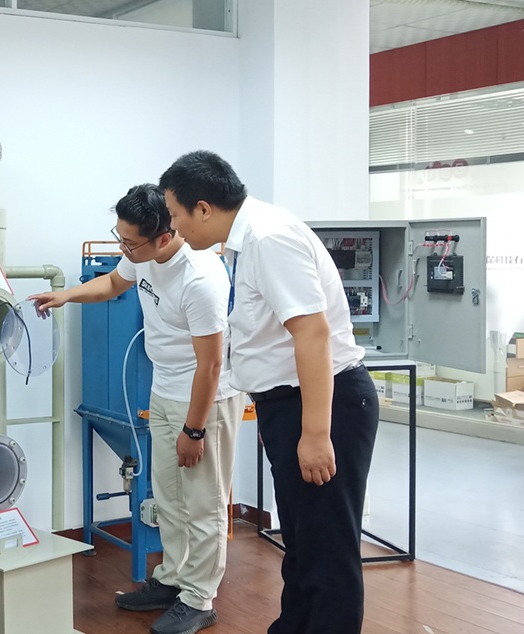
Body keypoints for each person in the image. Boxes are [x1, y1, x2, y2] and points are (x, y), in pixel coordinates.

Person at [159, 151, 379, 634]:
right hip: (292, 402)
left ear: (202, 208)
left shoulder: (268, 238)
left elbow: (313, 334)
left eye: (174, 214)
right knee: (301, 542)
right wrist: (275, 413)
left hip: (325, 402)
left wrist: (315, 432)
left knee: (326, 548)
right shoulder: (246, 242)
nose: (173, 227)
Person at [31, 184, 240, 634]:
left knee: (203, 503)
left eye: (130, 243)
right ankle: (172, 580)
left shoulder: (201, 277)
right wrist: (66, 296)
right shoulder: (142, 253)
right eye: (120, 238)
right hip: (163, 390)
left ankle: (199, 599)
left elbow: (211, 365)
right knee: (168, 496)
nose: (123, 249)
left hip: (206, 398)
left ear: (164, 237)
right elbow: (113, 282)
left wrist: (195, 430)